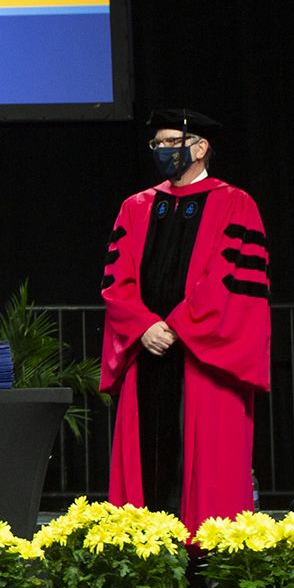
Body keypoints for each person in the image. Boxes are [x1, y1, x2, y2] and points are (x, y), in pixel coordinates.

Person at [99, 109, 272, 534]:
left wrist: (177, 326)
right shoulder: (135, 207)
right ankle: (145, 555)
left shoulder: (235, 203)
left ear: (200, 147)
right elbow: (116, 280)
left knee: (208, 461)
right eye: (157, 144)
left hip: (203, 359)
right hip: (148, 353)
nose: (162, 151)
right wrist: (143, 326)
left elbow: (229, 279)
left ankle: (205, 559)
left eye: (171, 142)